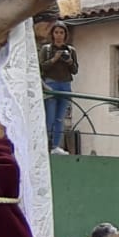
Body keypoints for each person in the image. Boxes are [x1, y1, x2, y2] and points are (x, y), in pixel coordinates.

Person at [38, 22, 78, 155]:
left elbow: (75, 70)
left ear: (65, 35)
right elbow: (41, 67)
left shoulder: (71, 50)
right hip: (51, 84)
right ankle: (45, 146)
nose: (59, 36)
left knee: (60, 118)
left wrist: (69, 61)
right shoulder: (47, 49)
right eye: (56, 32)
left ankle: (56, 146)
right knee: (49, 116)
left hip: (65, 84)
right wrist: (54, 59)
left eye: (62, 33)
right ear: (52, 34)